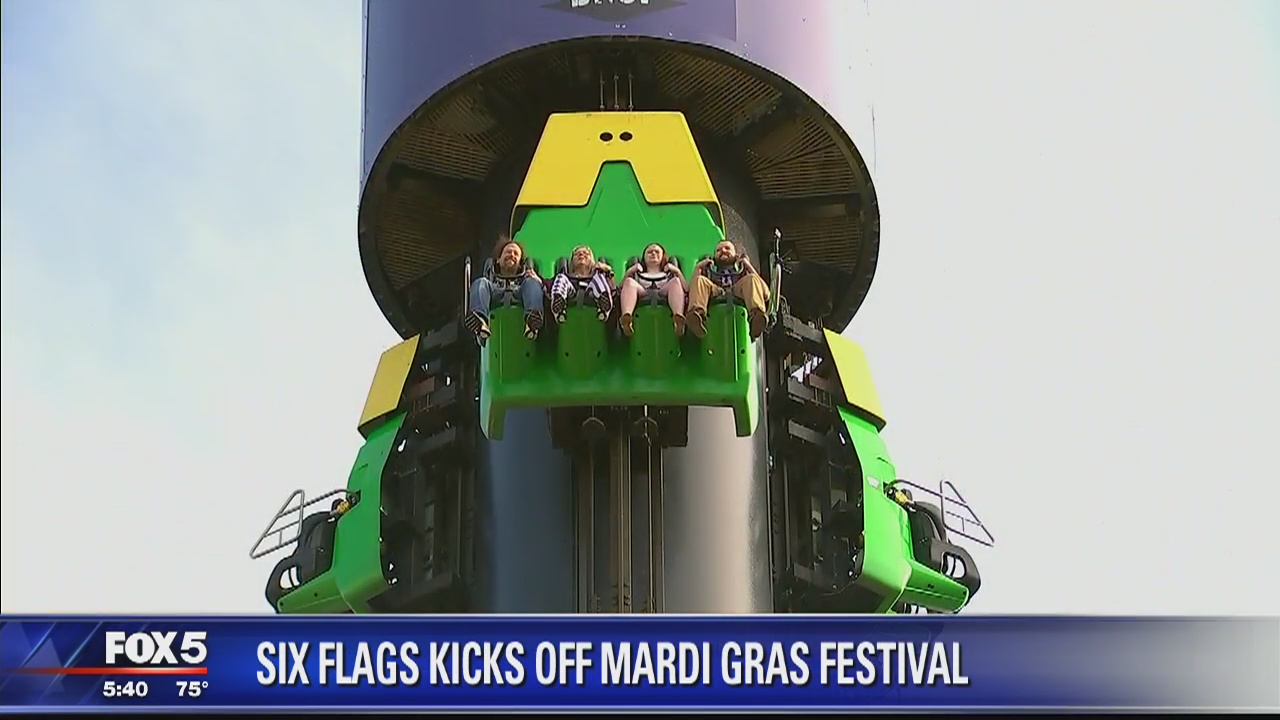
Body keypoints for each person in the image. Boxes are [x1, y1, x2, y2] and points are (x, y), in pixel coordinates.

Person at [463, 236, 545, 343]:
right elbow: (484, 287)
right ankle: (480, 321)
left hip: (519, 292)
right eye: (508, 252)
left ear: (520, 263)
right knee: (481, 282)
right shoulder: (488, 283)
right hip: (495, 292)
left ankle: (532, 321)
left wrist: (538, 281)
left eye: (516, 254)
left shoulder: (526, 283)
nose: (512, 255)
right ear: (498, 259)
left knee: (532, 282)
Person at [686, 239, 770, 340]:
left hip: (737, 289)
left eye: (727, 248)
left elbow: (766, 293)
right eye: (719, 250)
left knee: (751, 278)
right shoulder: (708, 272)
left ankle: (756, 318)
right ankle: (697, 317)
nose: (723, 251)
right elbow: (691, 291)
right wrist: (698, 268)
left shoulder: (742, 270)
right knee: (699, 280)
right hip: (716, 289)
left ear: (736, 255)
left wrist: (748, 266)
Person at [618, 242, 687, 337]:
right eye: (650, 252)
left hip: (663, 290)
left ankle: (678, 319)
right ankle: (626, 319)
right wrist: (630, 271)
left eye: (657, 252)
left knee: (675, 282)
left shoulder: (669, 273)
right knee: (629, 282)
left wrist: (677, 271)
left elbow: (686, 290)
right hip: (642, 291)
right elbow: (620, 289)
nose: (653, 254)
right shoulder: (637, 273)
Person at [549, 245, 614, 323]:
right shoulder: (566, 274)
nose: (581, 255)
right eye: (577, 254)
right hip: (571, 291)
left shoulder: (596, 274)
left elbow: (613, 288)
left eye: (586, 253)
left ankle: (604, 305)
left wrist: (607, 269)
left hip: (592, 291)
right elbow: (549, 284)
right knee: (560, 277)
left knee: (600, 276)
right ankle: (558, 308)